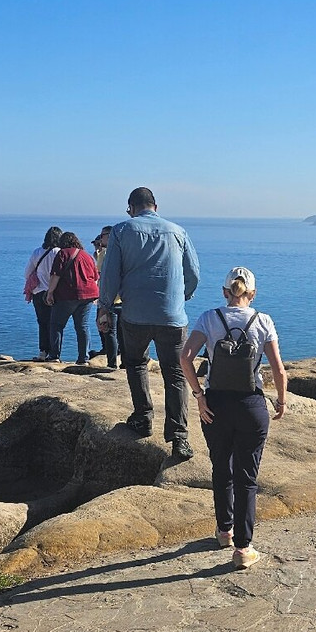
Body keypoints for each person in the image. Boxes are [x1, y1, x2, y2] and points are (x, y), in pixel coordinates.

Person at [181, 266, 287, 569]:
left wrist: (199, 396)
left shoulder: (209, 318)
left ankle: (224, 531)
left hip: (215, 404)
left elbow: (185, 358)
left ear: (225, 292)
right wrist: (281, 400)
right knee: (247, 478)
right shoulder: (263, 320)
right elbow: (278, 369)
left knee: (221, 467)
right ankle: (243, 548)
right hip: (251, 404)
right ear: (252, 294)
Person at [97, 188, 200, 460]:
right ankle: (179, 438)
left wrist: (104, 308)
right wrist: (181, 297)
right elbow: (193, 274)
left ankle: (143, 418)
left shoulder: (120, 231)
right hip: (172, 316)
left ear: (131, 207)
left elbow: (110, 275)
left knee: (136, 364)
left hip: (134, 315)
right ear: (155, 206)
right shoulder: (178, 231)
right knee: (176, 374)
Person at [44, 232, 99, 364]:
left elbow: (55, 275)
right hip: (88, 295)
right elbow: (96, 277)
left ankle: (54, 356)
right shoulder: (87, 256)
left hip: (67, 295)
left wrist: (50, 293)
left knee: (56, 325)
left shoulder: (63, 254)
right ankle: (83, 358)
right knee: (82, 326)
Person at [24, 226, 62, 361]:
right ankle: (55, 353)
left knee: (42, 322)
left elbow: (27, 273)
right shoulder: (59, 252)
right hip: (55, 292)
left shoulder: (37, 252)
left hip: (38, 292)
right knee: (55, 323)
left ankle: (43, 352)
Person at [89, 225, 125, 368]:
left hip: (109, 299)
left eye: (102, 235)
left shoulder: (105, 254)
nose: (100, 237)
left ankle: (112, 363)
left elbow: (100, 274)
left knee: (109, 332)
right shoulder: (123, 252)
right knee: (123, 333)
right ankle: (125, 363)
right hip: (124, 297)